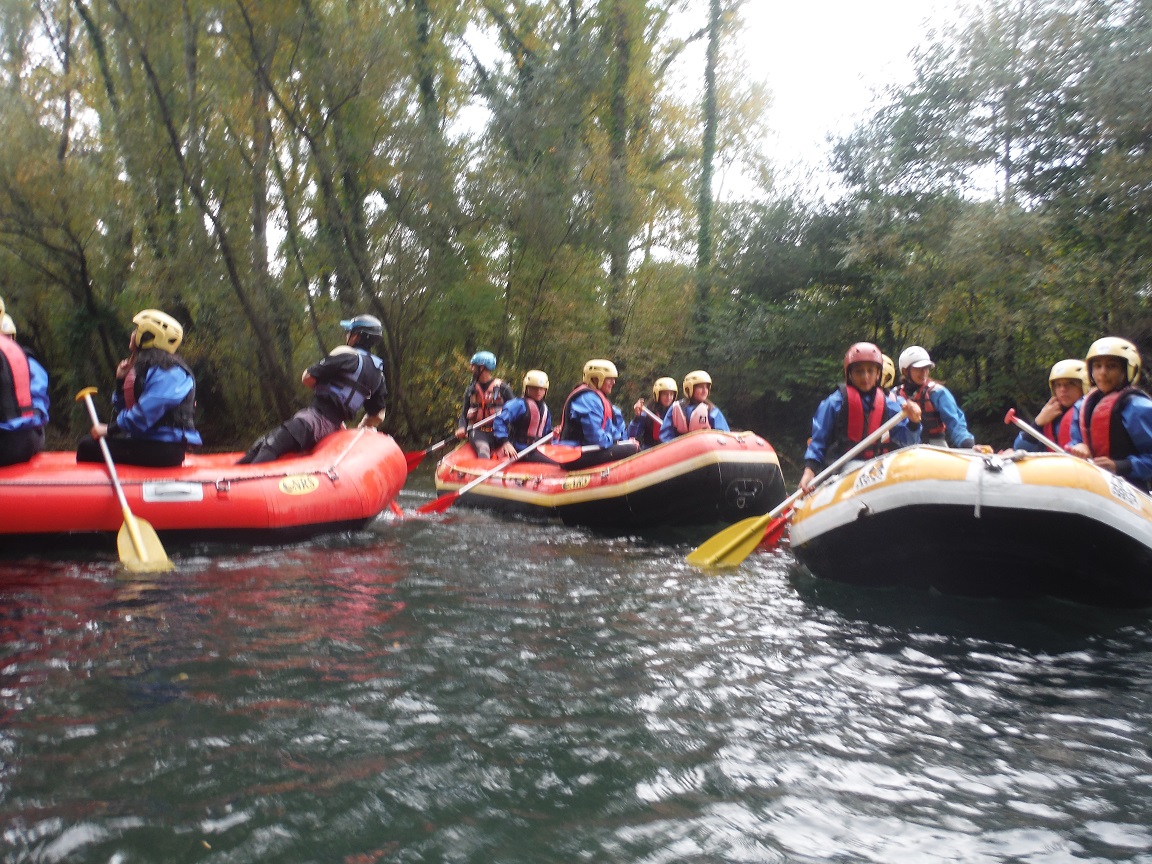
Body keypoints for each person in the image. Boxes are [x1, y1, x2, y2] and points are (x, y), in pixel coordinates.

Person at [238, 314, 387, 464]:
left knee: (269, 447)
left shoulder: (345, 355)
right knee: (262, 443)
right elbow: (378, 416)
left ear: (356, 337)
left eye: (349, 332)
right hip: (334, 428)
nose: (347, 335)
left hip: (315, 420)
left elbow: (307, 377)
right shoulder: (378, 374)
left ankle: (241, 484)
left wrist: (324, 389)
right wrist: (359, 428)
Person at [78, 309, 199, 468]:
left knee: (87, 447)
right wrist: (120, 381)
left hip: (165, 447)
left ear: (149, 335)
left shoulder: (170, 372)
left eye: (137, 330)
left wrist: (110, 429)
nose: (133, 334)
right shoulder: (146, 367)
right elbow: (126, 409)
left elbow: (146, 412)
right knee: (89, 444)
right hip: (149, 441)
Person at [799, 342, 923, 492]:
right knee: (857, 469)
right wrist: (809, 471)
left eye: (870, 371)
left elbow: (908, 441)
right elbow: (818, 442)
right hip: (840, 467)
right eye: (859, 371)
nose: (866, 376)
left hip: (876, 465)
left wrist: (914, 423)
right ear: (849, 374)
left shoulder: (888, 404)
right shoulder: (835, 403)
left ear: (878, 374)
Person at [1067, 337, 1152, 489]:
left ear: (1127, 370)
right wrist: (1078, 446)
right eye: (1097, 366)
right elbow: (1074, 440)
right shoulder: (1083, 405)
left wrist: (1119, 466)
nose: (1103, 373)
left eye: (1111, 366)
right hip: (1092, 484)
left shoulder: (1139, 407)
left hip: (1130, 488)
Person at [557, 358, 639, 469]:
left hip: (585, 451)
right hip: (572, 455)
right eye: (609, 379)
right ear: (596, 378)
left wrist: (624, 441)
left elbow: (610, 429)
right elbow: (596, 438)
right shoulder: (588, 399)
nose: (613, 382)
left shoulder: (598, 399)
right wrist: (616, 441)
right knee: (631, 449)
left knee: (631, 445)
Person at [0, 295, 49, 467]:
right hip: (23, 433)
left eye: (9, 336)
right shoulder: (14, 357)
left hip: (26, 432)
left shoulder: (26, 361)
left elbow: (38, 400)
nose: (7, 340)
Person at [893, 345, 974, 448]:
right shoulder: (895, 395)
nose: (924, 372)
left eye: (926, 368)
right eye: (919, 368)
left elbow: (955, 420)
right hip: (905, 447)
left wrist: (966, 442)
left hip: (935, 445)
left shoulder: (937, 392)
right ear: (905, 371)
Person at [1011, 359, 1088, 452]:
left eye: (1070, 384)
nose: (1062, 389)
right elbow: (1021, 447)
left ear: (1084, 386)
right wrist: (1038, 423)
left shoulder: (1091, 412)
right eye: (1058, 385)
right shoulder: (1051, 415)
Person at [454, 350, 515, 459]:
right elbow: (464, 413)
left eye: (473, 366)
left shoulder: (503, 388)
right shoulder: (471, 390)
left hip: (499, 432)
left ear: (481, 368)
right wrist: (462, 427)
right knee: (483, 449)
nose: (471, 369)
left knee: (510, 451)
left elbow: (516, 411)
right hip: (478, 432)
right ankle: (484, 471)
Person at [492, 369, 553, 460]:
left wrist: (555, 434)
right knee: (554, 465)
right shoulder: (518, 404)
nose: (538, 392)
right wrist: (505, 443)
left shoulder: (544, 409)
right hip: (519, 449)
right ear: (526, 388)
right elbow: (499, 420)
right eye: (534, 388)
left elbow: (547, 431)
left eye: (541, 389)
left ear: (545, 390)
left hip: (535, 449)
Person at [659, 370, 730, 442]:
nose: (704, 391)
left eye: (707, 387)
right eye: (701, 387)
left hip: (705, 448)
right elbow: (666, 434)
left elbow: (724, 435)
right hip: (679, 448)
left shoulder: (711, 410)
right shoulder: (676, 408)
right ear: (689, 389)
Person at [628, 376, 677, 448]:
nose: (669, 397)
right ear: (658, 395)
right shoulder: (647, 412)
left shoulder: (677, 411)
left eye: (671, 394)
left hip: (671, 448)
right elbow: (631, 434)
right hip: (651, 448)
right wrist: (637, 417)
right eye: (665, 394)